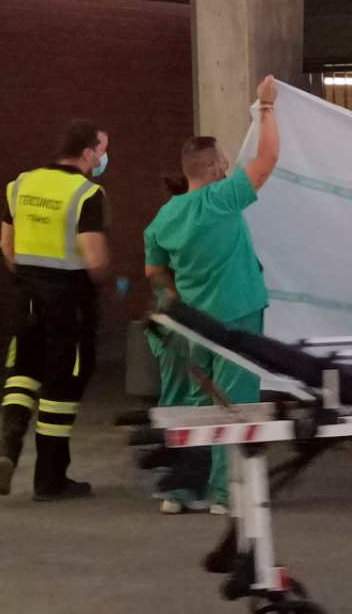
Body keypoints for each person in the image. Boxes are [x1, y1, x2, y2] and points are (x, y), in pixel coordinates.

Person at [143, 74, 280, 516]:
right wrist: (266, 107)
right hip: (237, 316)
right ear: (217, 166)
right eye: (224, 159)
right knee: (235, 405)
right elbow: (268, 157)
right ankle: (227, 494)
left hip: (192, 321)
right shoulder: (223, 198)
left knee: (198, 404)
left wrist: (177, 294)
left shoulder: (164, 217)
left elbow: (153, 270)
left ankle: (181, 492)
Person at [0, 120, 111, 501]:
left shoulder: (20, 184)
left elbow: (6, 245)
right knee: (62, 383)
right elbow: (95, 259)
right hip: (68, 303)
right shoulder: (88, 193)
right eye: (103, 149)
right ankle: (50, 478)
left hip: (25, 295)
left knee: (23, 370)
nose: (105, 157)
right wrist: (108, 279)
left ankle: (8, 446)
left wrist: (28, 275)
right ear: (88, 153)